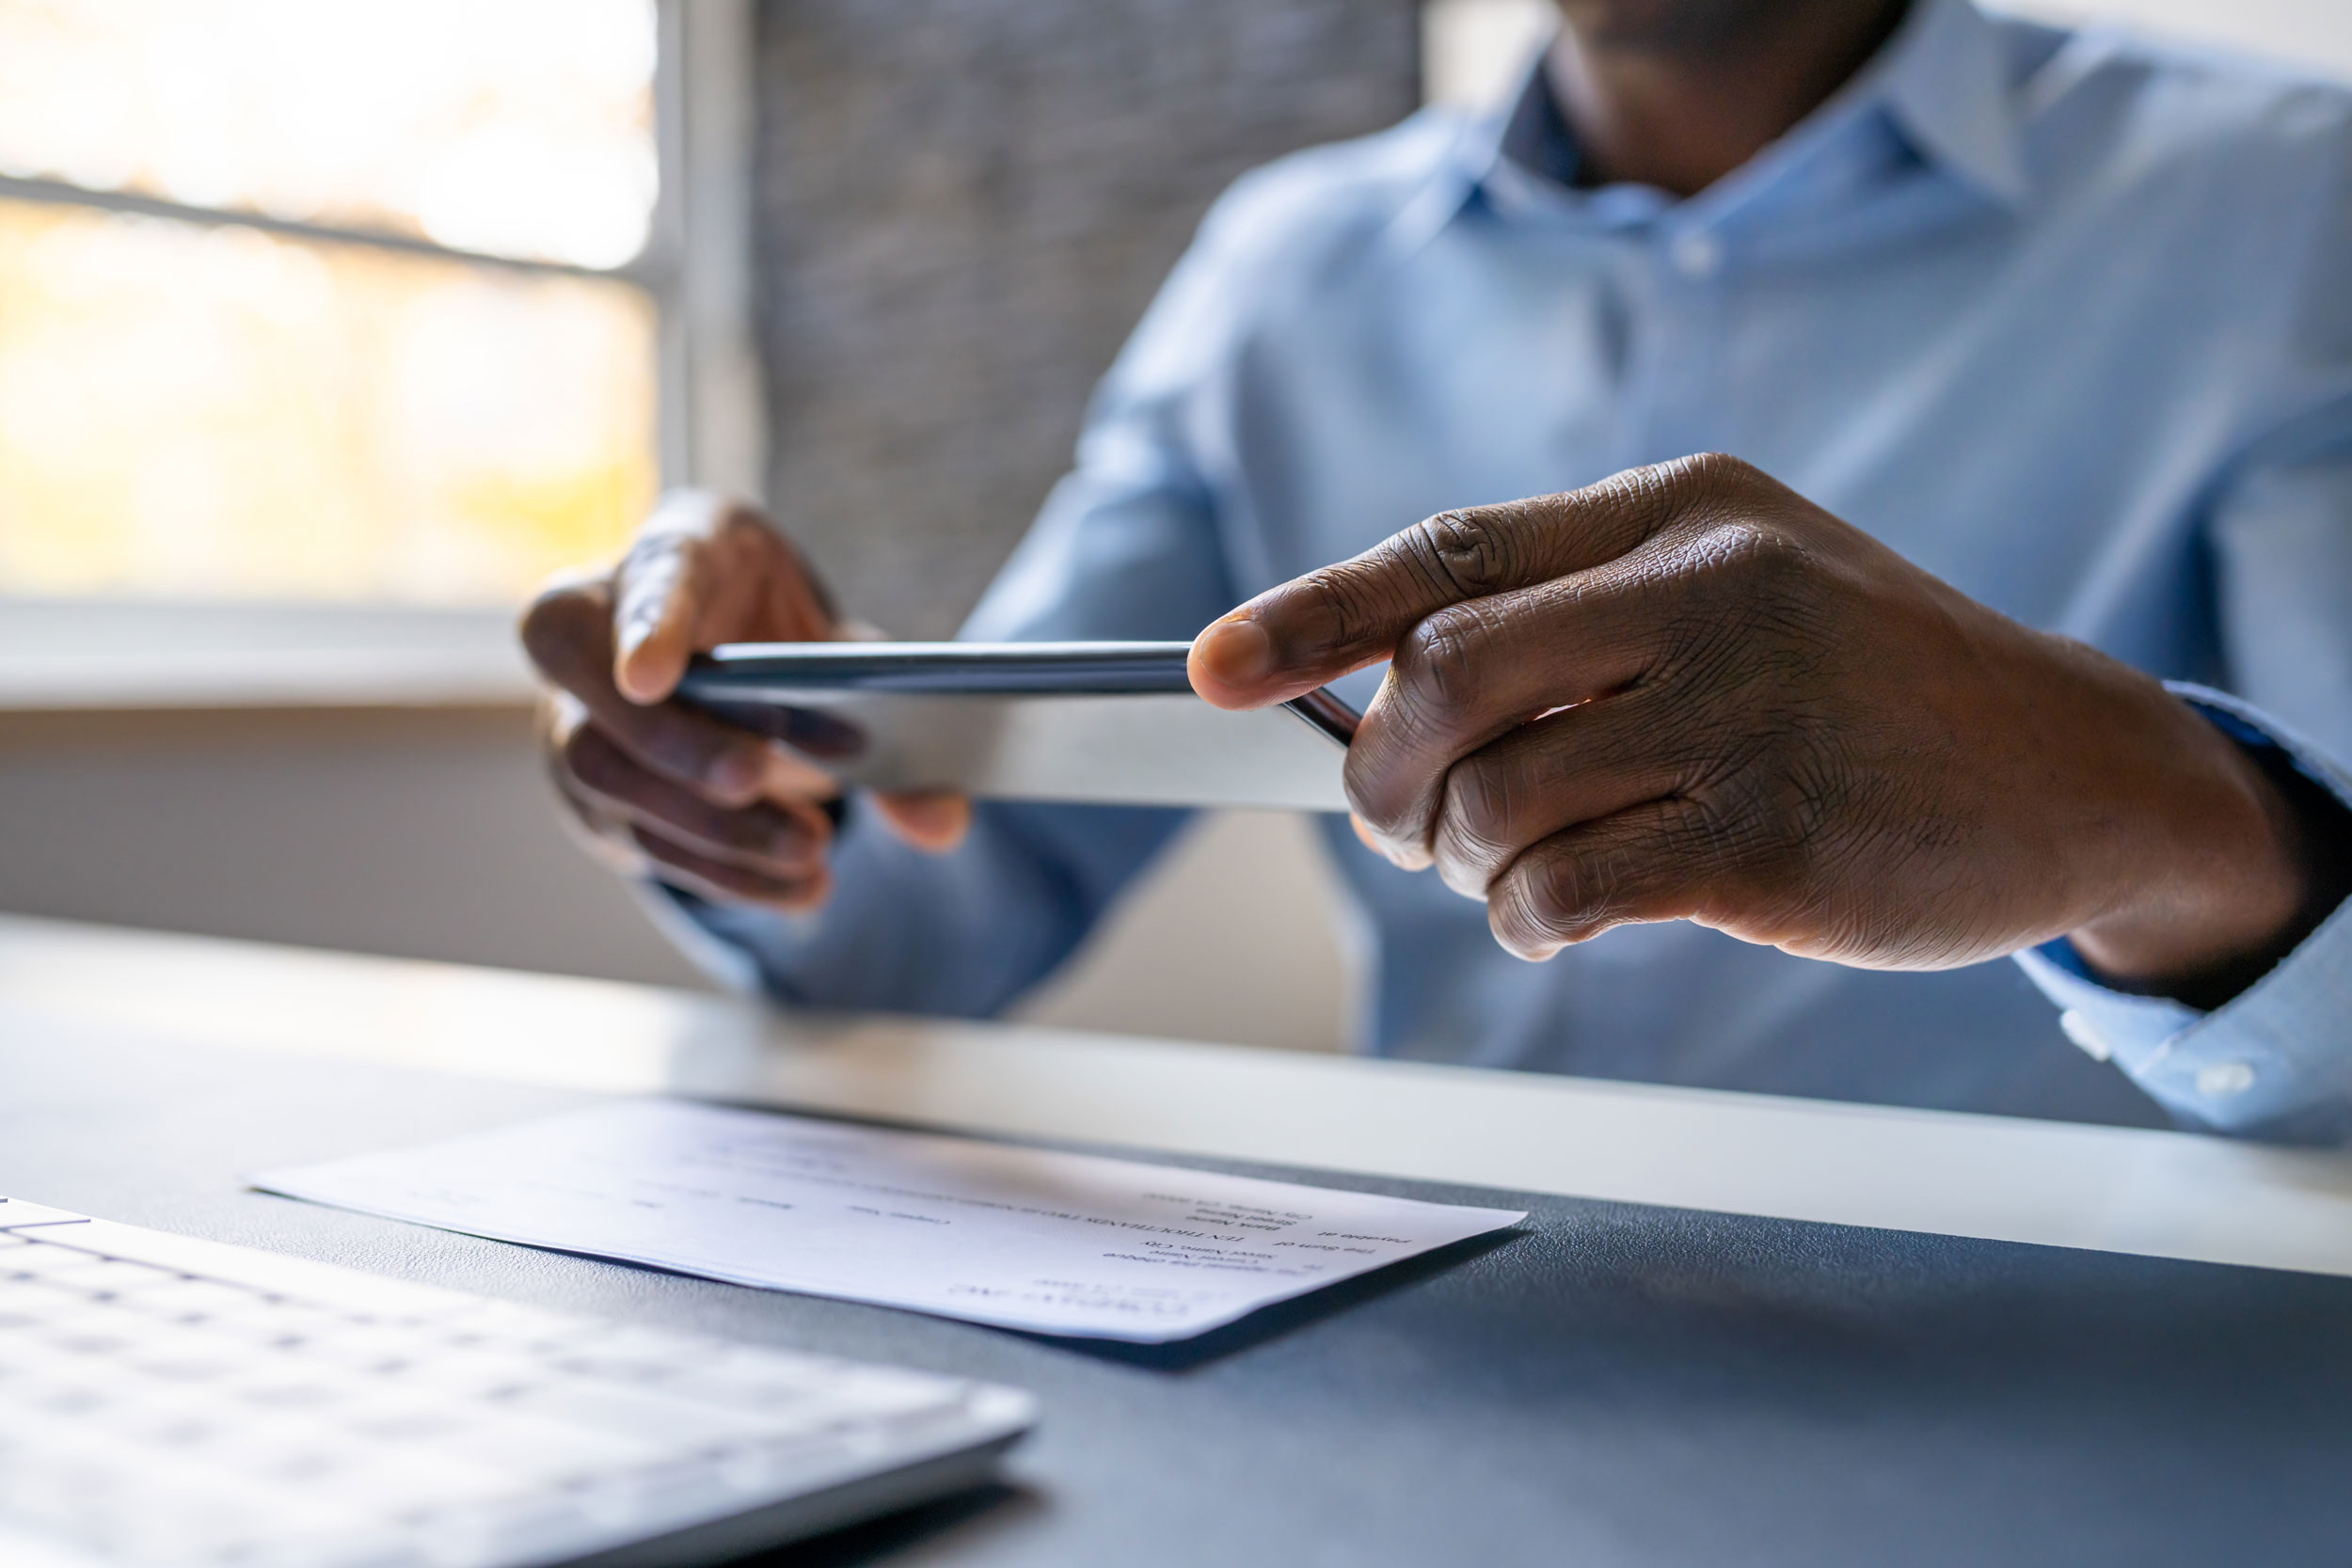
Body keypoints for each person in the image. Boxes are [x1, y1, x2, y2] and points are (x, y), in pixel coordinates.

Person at [523, 0, 2352, 1140]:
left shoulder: (2286, 202)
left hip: (2091, 1338)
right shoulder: (1278, 270)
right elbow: (944, 913)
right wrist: (760, 771)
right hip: (1436, 1339)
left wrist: (2144, 804)